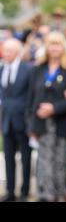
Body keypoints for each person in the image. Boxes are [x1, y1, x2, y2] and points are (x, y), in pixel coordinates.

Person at [27, 31, 66, 202]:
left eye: (57, 44)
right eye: (51, 44)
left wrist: (54, 108)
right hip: (42, 124)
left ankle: (62, 193)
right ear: (46, 47)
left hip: (62, 124)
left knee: (62, 161)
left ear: (63, 47)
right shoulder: (37, 69)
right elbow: (31, 99)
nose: (54, 48)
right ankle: (46, 195)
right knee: (44, 161)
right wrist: (30, 126)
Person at [0, 39, 33, 202]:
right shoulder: (1, 69)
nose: (5, 54)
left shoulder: (28, 69)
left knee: (26, 158)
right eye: (4, 50)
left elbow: (31, 96)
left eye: (9, 51)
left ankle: (25, 191)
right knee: (8, 158)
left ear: (17, 52)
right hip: (6, 121)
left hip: (23, 121)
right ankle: (10, 191)